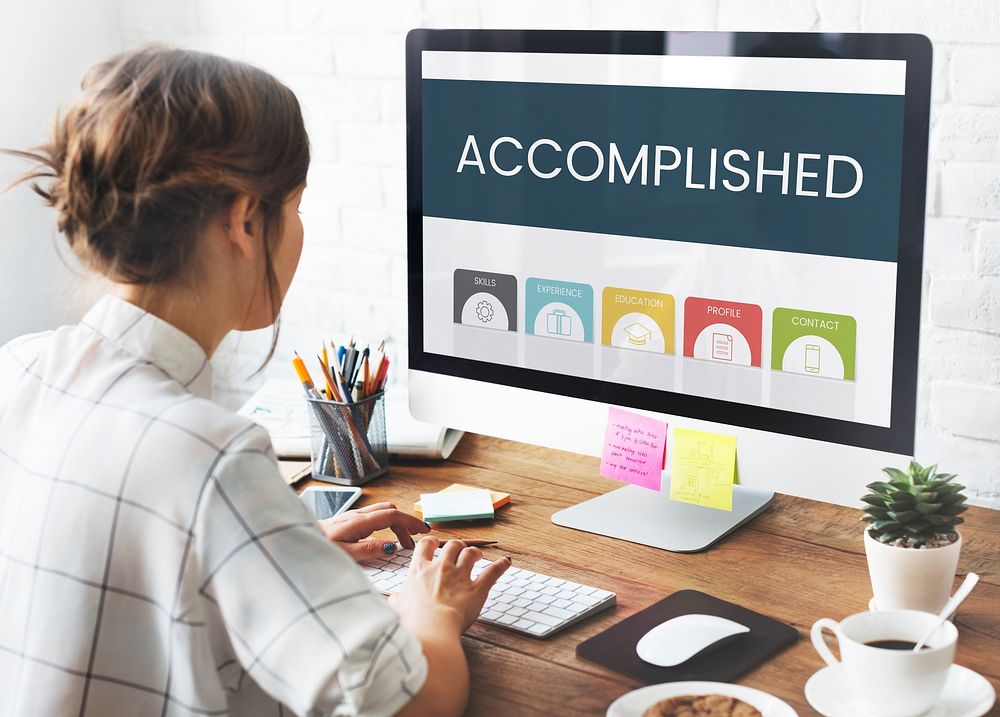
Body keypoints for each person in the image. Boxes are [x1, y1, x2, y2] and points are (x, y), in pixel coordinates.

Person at [0, 45, 509, 717]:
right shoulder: (210, 454)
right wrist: (431, 609)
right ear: (243, 221)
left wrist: (274, 550)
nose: (296, 231)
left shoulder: (18, 368)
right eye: (294, 207)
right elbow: (413, 702)